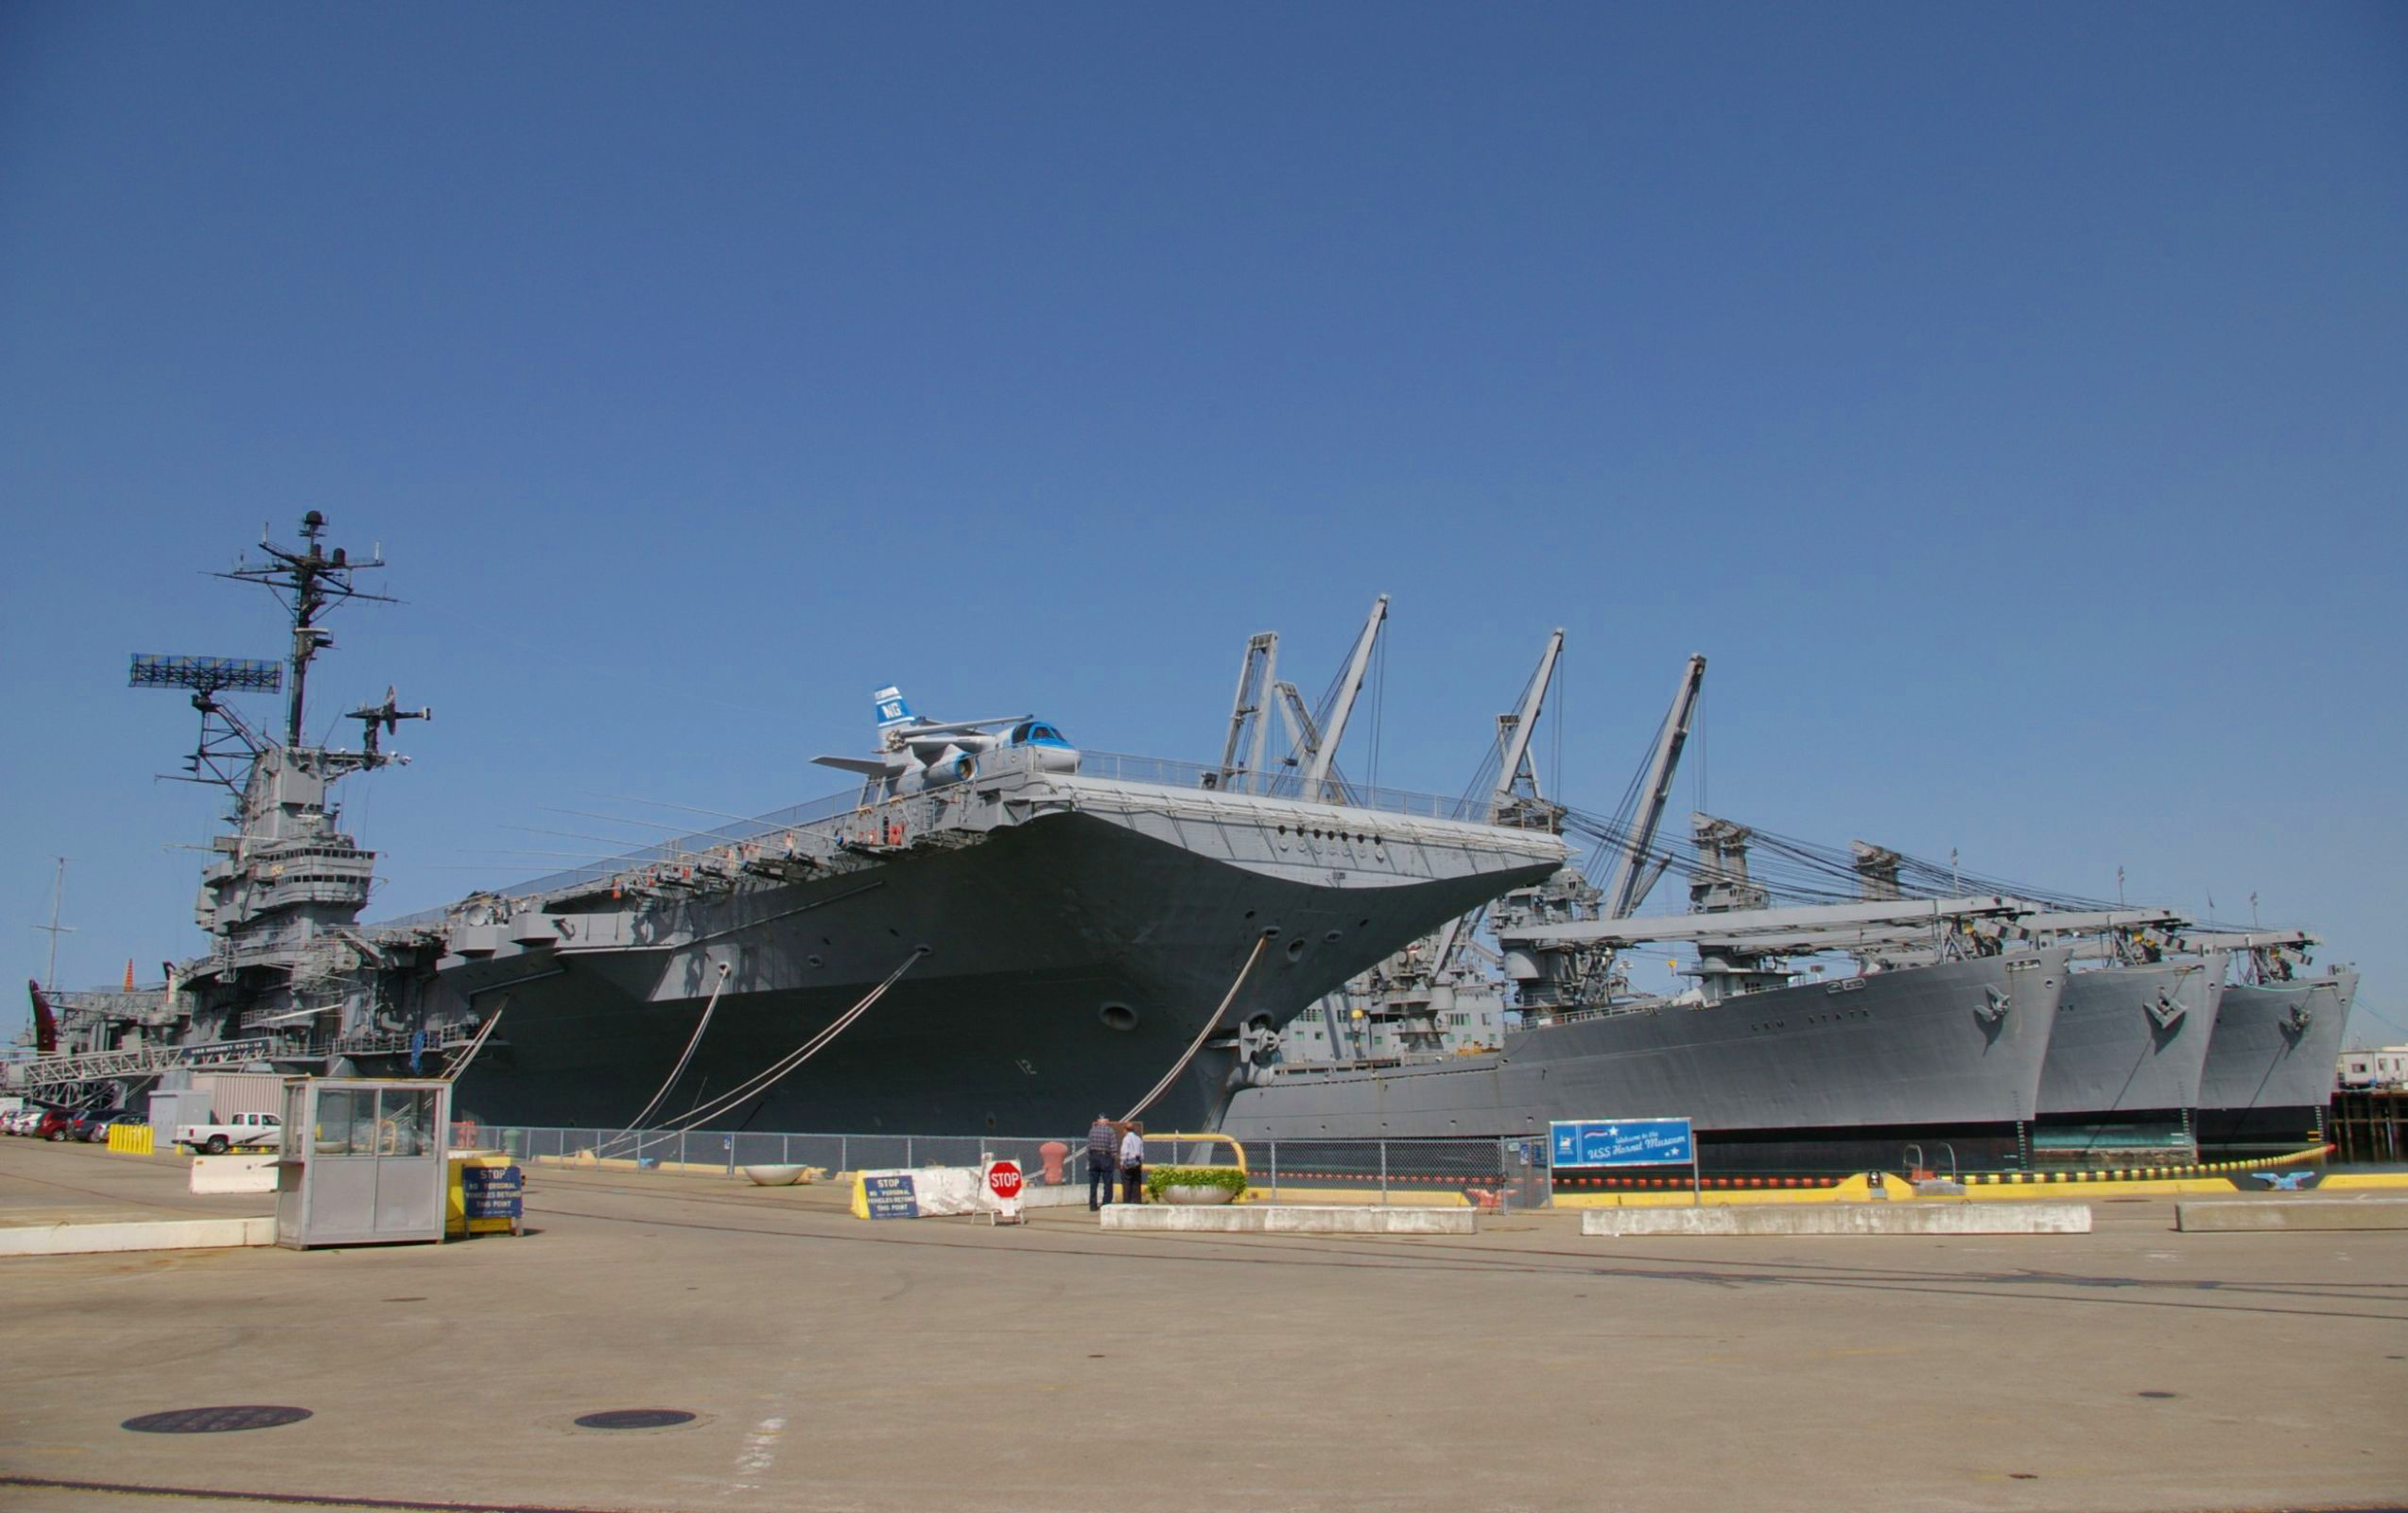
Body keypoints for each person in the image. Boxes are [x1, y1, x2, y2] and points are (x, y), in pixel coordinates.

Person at [1085, 1114, 1117, 1210]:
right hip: (1105, 1157)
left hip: (1094, 1157)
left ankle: (1093, 1205)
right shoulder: (1110, 1131)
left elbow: (1088, 1146)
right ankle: (1106, 1203)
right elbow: (1113, 1147)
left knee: (1093, 1183)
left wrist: (1089, 1159)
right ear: (1106, 1121)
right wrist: (1112, 1158)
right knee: (1107, 1182)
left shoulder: (1092, 1131)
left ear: (1098, 1121)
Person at [1117, 1120, 1147, 1206]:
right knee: (1136, 1183)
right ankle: (1137, 1201)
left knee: (1126, 1183)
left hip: (1128, 1163)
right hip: (1137, 1163)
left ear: (1125, 1130)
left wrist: (1122, 1163)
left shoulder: (1126, 1139)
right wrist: (1141, 1162)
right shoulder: (1138, 1138)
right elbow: (1142, 1152)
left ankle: (1127, 1201)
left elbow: (1124, 1152)